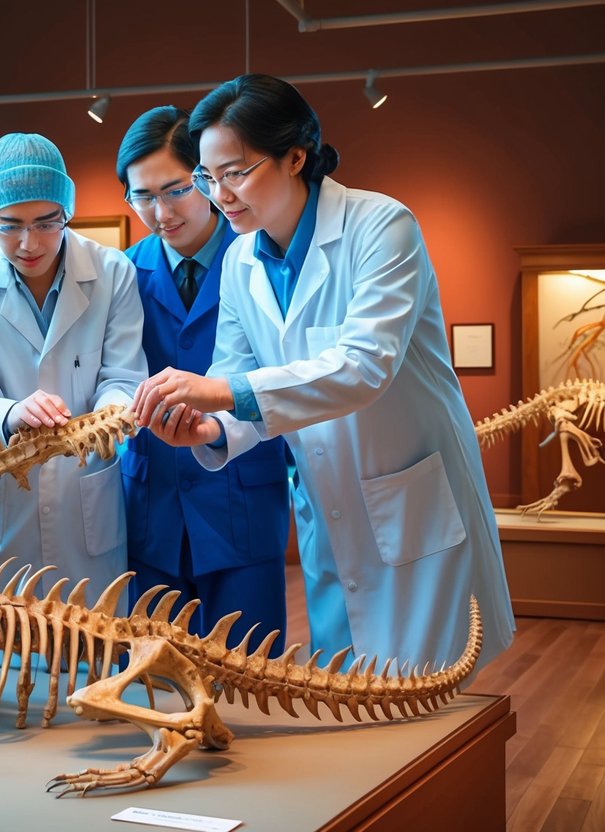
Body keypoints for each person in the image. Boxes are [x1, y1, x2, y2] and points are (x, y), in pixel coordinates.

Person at [132, 74, 514, 673]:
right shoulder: (240, 259)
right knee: (349, 694)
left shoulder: (382, 227)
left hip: (408, 497)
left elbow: (364, 367)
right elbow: (240, 375)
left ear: (294, 156)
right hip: (329, 506)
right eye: (209, 178)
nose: (221, 194)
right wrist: (212, 430)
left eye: (235, 172)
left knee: (436, 699)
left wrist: (222, 392)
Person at [0, 133, 147, 605]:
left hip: (84, 486)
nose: (29, 243)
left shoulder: (112, 272)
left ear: (67, 212)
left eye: (46, 223)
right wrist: (13, 414)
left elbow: (123, 379)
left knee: (89, 655)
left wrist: (97, 425)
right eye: (9, 225)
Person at [116, 106, 291, 648]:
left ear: (207, 178)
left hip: (242, 495)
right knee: (153, 683)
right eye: (141, 195)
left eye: (174, 190)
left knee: (250, 680)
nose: (160, 211)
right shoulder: (121, 272)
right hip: (152, 505)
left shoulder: (261, 259)